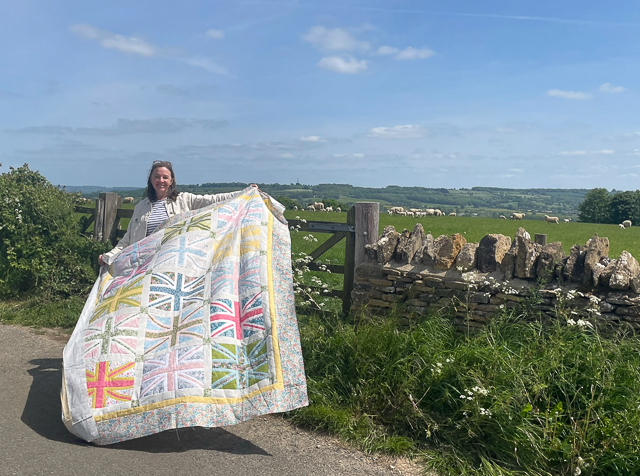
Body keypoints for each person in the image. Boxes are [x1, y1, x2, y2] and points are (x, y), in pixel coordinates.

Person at [99, 161, 249, 265]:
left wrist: (244, 193)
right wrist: (109, 257)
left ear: (171, 181)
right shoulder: (140, 207)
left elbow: (213, 199)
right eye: (157, 176)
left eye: (165, 177)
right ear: (151, 180)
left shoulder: (184, 200)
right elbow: (127, 241)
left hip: (172, 261)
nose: (161, 180)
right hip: (142, 263)